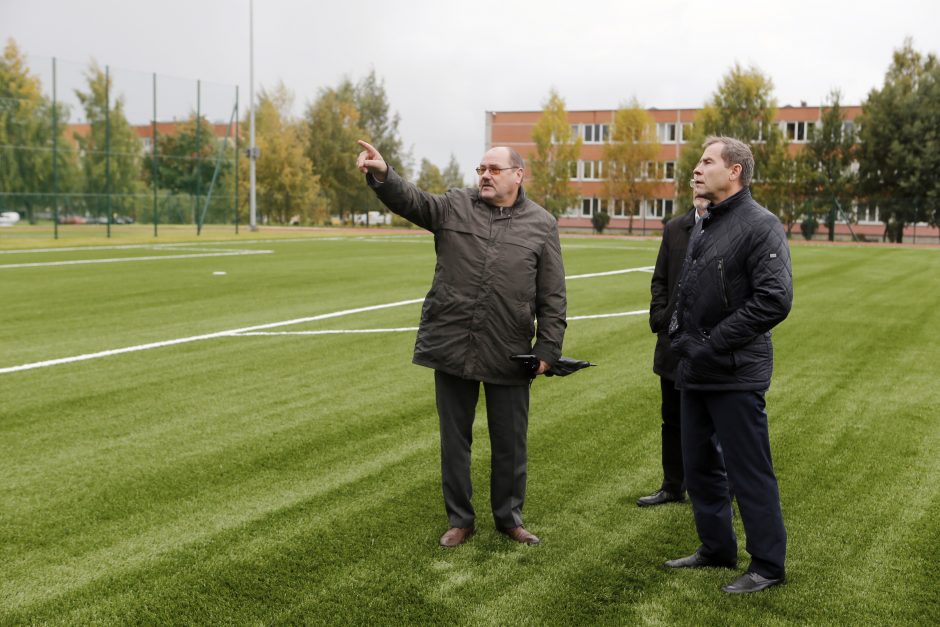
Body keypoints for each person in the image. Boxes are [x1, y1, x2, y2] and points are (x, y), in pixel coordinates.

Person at [356, 140, 567, 548]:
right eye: (481, 168)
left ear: (518, 175)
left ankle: (509, 518)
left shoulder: (542, 224)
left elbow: (553, 295)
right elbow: (411, 201)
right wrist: (384, 174)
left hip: (510, 349)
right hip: (452, 343)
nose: (485, 175)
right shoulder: (455, 205)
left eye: (494, 169)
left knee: (510, 442)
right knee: (455, 440)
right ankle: (460, 519)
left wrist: (547, 351)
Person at [664, 136, 792, 594]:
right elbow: (692, 286)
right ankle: (716, 548)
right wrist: (680, 337)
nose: (696, 169)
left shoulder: (761, 225)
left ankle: (768, 565)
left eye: (706, 162)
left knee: (748, 469)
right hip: (696, 369)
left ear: (734, 170)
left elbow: (775, 300)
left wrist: (712, 344)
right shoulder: (704, 224)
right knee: (698, 466)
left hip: (735, 371)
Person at [638, 193, 710, 507]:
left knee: (711, 421)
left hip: (710, 345)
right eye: (694, 181)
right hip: (671, 344)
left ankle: (711, 487)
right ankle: (672, 485)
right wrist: (660, 316)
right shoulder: (674, 228)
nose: (699, 187)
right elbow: (660, 279)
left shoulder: (729, 227)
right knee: (672, 417)